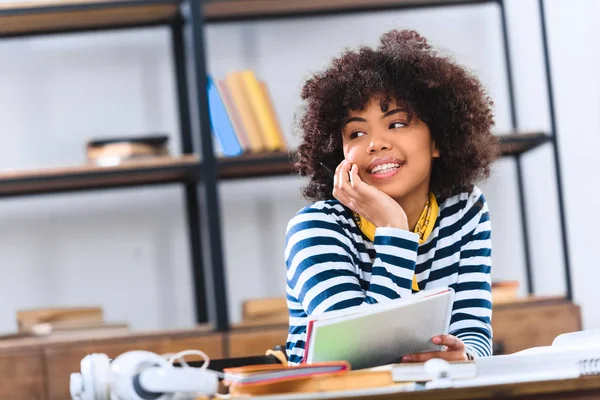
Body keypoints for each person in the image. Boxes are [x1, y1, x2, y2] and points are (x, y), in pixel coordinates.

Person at [285, 29, 499, 365]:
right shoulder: (315, 230)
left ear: (438, 140)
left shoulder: (464, 210)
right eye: (357, 132)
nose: (375, 143)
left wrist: (465, 355)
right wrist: (395, 230)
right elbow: (360, 355)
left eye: (397, 123)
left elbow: (473, 326)